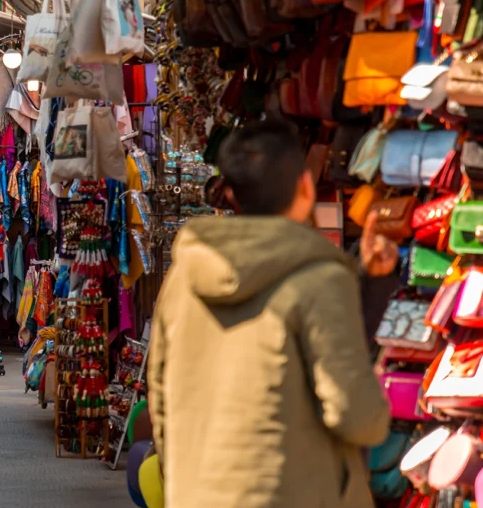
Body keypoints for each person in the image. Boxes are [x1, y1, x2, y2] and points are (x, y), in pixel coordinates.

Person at [147, 120, 394, 507]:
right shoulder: (319, 279)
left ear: (230, 195)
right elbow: (357, 414)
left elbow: (160, 395)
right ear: (306, 187)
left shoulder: (185, 275)